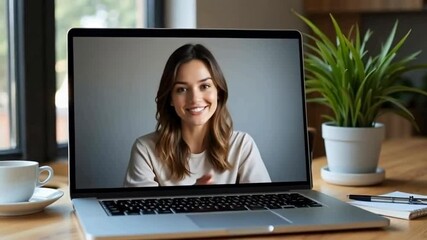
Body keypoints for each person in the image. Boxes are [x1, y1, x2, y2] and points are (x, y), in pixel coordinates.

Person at [124, 43, 270, 187]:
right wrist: (192, 199)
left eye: (204, 86)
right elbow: (142, 210)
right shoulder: (145, 149)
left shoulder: (242, 146)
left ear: (218, 92)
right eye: (182, 89)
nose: (194, 99)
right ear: (170, 98)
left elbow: (264, 205)